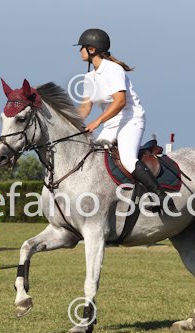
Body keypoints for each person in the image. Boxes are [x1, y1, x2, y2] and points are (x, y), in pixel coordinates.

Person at [75, 28, 176, 213]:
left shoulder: (113, 69)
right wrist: (71, 124)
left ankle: (160, 196)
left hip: (131, 119)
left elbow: (120, 102)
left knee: (128, 159)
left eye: (81, 47)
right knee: (94, 156)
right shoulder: (89, 77)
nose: (79, 51)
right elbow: (84, 107)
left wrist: (97, 122)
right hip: (111, 124)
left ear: (91, 49)